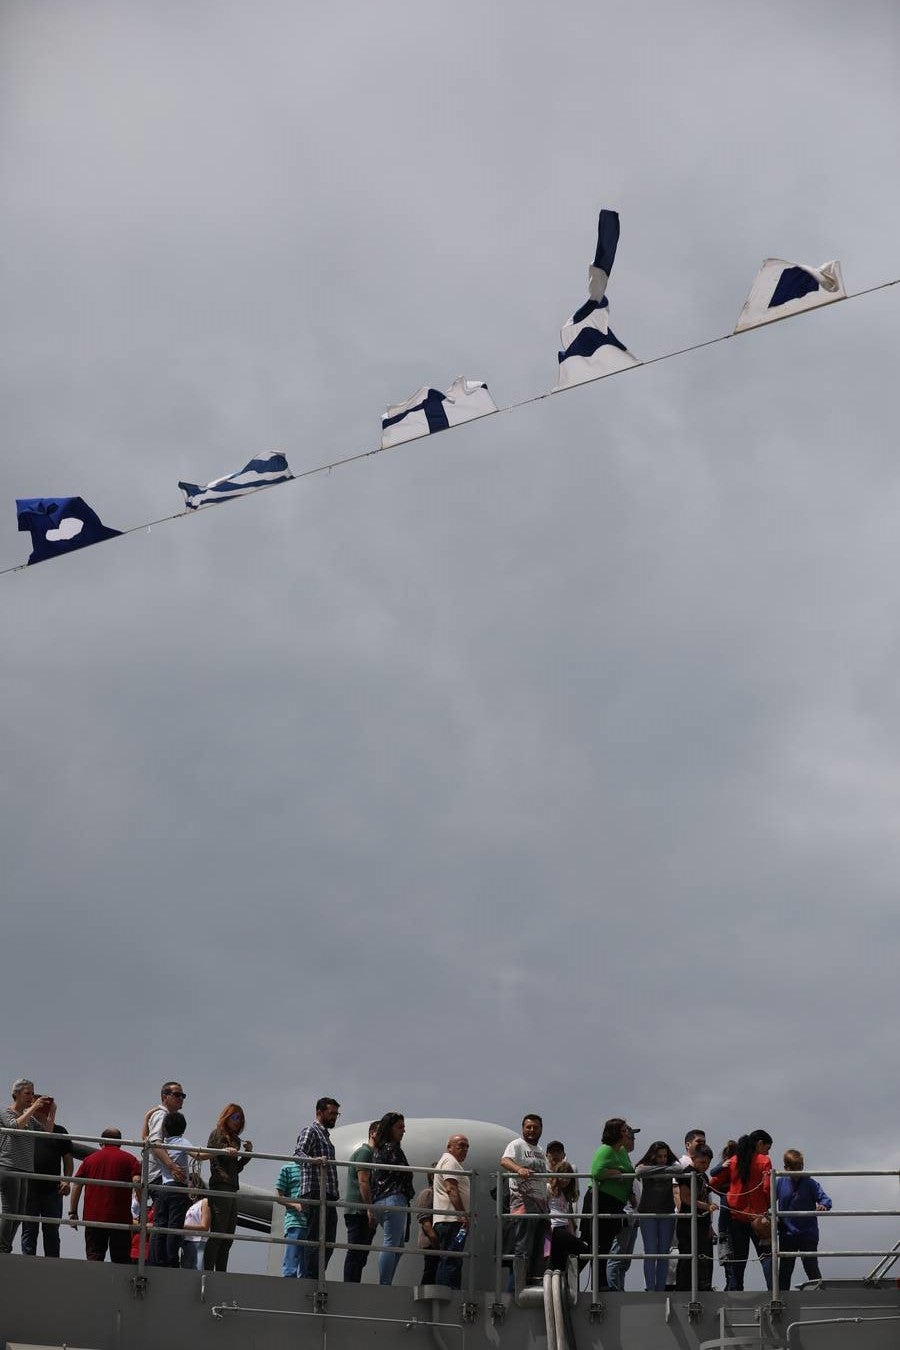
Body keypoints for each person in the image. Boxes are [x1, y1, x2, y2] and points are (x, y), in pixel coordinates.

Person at [710, 1128, 773, 1290]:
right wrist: (766, 1207)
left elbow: (714, 1183)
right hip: (759, 1217)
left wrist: (729, 1193)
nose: (767, 1151)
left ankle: (737, 1294)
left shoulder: (734, 1160)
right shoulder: (764, 1161)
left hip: (736, 1216)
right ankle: (774, 1292)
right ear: (759, 1143)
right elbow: (768, 1188)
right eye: (767, 1147)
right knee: (766, 1257)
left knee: (739, 1260)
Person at [68, 1128, 141, 1263]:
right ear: (120, 1143)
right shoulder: (130, 1159)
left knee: (94, 1258)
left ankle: (94, 1284)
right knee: (121, 1262)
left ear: (101, 1142)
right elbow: (137, 1181)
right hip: (120, 1219)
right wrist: (141, 1204)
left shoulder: (89, 1160)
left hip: (93, 1218)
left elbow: (77, 1184)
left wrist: (73, 1212)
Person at [0, 1078, 55, 1255]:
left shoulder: (29, 1118)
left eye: (33, 1093)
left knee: (19, 1213)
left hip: (25, 1168)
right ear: (16, 1094)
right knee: (10, 1211)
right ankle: (2, 1247)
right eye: (28, 1093)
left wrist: (51, 1112)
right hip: (9, 1166)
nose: (31, 1097)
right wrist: (33, 1108)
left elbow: (47, 1133)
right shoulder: (6, 1112)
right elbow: (15, 1126)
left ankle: (5, 1246)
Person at [584, 1119, 638, 1291]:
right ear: (615, 1132)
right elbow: (597, 1171)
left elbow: (629, 1172)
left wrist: (630, 1193)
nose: (627, 1132)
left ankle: (601, 1283)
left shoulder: (621, 1151)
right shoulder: (606, 1150)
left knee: (606, 1244)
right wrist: (617, 1172)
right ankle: (594, 1282)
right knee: (593, 1244)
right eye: (624, 1130)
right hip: (600, 1200)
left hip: (616, 1202)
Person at [294, 1097, 340, 1280]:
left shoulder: (325, 1135)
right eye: (332, 1113)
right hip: (314, 1189)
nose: (335, 1117)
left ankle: (318, 1273)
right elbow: (298, 1154)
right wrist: (315, 1161)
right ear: (319, 1112)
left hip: (327, 1192)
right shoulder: (311, 1130)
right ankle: (310, 1277)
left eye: (336, 1114)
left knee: (329, 1239)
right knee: (315, 1237)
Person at [21, 1094, 73, 1258]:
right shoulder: (26, 1129)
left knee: (51, 1229)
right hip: (29, 1186)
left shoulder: (60, 1131)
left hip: (52, 1188)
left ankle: (52, 1261)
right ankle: (28, 1260)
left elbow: (68, 1159)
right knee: (29, 1227)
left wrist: (66, 1180)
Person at [203, 1103, 253, 1272]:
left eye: (240, 1119)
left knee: (228, 1236)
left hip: (232, 1187)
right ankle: (209, 1271)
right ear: (227, 1117)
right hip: (221, 1185)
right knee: (218, 1233)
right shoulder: (217, 1134)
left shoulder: (236, 1140)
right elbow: (212, 1157)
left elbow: (235, 1168)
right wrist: (225, 1150)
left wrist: (246, 1156)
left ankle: (221, 1271)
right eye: (234, 1117)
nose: (237, 1122)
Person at [500, 1114, 550, 1283]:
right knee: (522, 1247)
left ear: (541, 1129)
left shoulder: (540, 1151)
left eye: (535, 1127)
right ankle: (516, 1286)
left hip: (541, 1205)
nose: (532, 1130)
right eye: (528, 1127)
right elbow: (505, 1161)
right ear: (523, 1128)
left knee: (537, 1249)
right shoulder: (517, 1145)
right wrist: (518, 1169)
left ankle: (530, 1283)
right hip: (524, 1203)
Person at [145, 1081, 188, 1265]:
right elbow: (154, 1142)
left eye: (182, 1095)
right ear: (165, 1096)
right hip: (161, 1177)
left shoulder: (160, 1115)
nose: (181, 1099)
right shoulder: (162, 1115)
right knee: (168, 1223)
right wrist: (171, 1165)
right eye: (177, 1095)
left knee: (162, 1222)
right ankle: (165, 1262)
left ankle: (158, 1260)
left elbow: (146, 1139)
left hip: (159, 1177)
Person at [776, 1149, 832, 1288]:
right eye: (794, 1168)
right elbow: (767, 1200)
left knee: (811, 1267)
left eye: (800, 1167)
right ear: (786, 1168)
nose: (798, 1172)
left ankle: (819, 1297)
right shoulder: (780, 1182)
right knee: (785, 1270)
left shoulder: (810, 1183)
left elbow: (825, 1199)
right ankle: (782, 1298)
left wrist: (823, 1205)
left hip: (808, 1233)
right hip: (787, 1233)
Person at [371, 1112, 414, 1286]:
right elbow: (401, 1172)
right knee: (391, 1243)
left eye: (404, 1127)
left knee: (398, 1246)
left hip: (381, 1200)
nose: (403, 1131)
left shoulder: (378, 1150)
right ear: (390, 1128)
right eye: (399, 1127)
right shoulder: (392, 1149)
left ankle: (386, 1281)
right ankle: (385, 1284)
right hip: (393, 1199)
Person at [150, 1111, 195, 1268]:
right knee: (174, 1226)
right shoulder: (181, 1142)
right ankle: (171, 1260)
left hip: (164, 1187)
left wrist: (147, 1117)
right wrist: (220, 1152)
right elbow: (199, 1154)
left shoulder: (162, 1144)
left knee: (159, 1224)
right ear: (183, 1128)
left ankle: (156, 1260)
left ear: (165, 1128)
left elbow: (146, 1137)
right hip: (178, 1189)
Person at [635, 1140, 679, 1291]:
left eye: (665, 1156)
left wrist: (660, 1169)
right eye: (659, 1156)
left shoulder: (671, 1165)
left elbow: (679, 1169)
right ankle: (650, 1288)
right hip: (648, 1213)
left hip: (666, 1213)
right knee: (650, 1252)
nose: (662, 1159)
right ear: (653, 1156)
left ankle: (660, 1289)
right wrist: (663, 1169)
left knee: (663, 1253)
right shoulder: (647, 1166)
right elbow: (639, 1171)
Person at [674, 1143, 717, 1291]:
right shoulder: (687, 1173)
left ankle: (703, 1286)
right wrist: (707, 1207)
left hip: (703, 1223)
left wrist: (710, 1224)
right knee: (688, 1256)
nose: (705, 1166)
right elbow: (686, 1198)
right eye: (702, 1162)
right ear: (694, 1158)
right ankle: (684, 1289)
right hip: (689, 1223)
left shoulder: (703, 1176)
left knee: (703, 1256)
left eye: (708, 1163)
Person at [432, 1134, 470, 1288]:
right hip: (451, 1221)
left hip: (453, 1221)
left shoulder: (451, 1162)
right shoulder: (450, 1161)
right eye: (461, 1145)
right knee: (451, 1259)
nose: (465, 1149)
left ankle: (448, 1291)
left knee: (452, 1258)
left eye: (467, 1146)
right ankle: (449, 1293)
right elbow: (451, 1188)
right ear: (449, 1147)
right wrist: (462, 1214)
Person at [344, 1121, 378, 1283]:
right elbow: (363, 1181)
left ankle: (353, 1283)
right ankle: (350, 1285)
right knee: (356, 1251)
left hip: (363, 1210)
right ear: (372, 1133)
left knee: (361, 1254)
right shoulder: (365, 1153)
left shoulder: (373, 1155)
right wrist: (370, 1209)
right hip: (358, 1211)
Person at [547, 1157, 588, 1271]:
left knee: (559, 1261)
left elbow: (567, 1216)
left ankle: (563, 1278)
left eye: (567, 1176)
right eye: (562, 1175)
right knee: (584, 1250)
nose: (564, 1179)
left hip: (564, 1227)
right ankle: (569, 1276)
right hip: (554, 1227)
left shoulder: (567, 1194)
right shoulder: (549, 1188)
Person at [275, 1153, 307, 1278]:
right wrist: (295, 1205)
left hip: (311, 1222)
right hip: (295, 1221)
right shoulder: (287, 1168)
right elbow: (278, 1197)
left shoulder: (312, 1169)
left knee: (307, 1268)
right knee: (291, 1265)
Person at [711, 1140, 738, 1290]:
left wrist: (722, 1193)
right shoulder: (730, 1166)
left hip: (726, 1220)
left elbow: (712, 1179)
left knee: (727, 1254)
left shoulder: (726, 1167)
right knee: (732, 1253)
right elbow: (713, 1176)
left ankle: (731, 1284)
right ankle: (732, 1284)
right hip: (732, 1218)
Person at [413, 1169, 441, 1284]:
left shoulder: (437, 1195)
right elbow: (424, 1219)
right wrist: (434, 1239)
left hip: (434, 1240)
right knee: (431, 1270)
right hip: (430, 1240)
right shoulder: (428, 1193)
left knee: (433, 1270)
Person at [180, 1179, 210, 1270]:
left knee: (198, 1271)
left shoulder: (204, 1202)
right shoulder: (189, 1205)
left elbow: (205, 1226)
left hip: (198, 1242)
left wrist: (182, 1227)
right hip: (186, 1243)